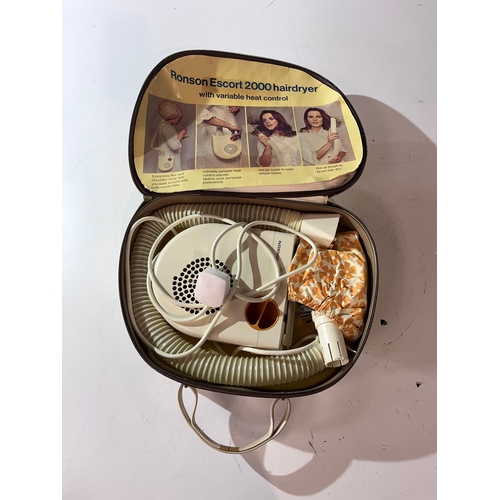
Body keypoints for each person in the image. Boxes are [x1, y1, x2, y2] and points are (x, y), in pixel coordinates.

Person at [150, 100, 188, 171]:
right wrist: (181, 134)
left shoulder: (166, 127)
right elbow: (174, 146)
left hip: (170, 159)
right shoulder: (166, 128)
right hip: (169, 160)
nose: (179, 122)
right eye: (178, 120)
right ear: (172, 117)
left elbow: (171, 140)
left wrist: (180, 137)